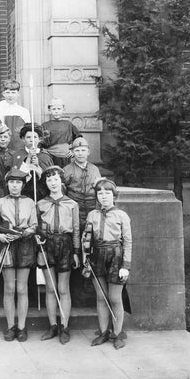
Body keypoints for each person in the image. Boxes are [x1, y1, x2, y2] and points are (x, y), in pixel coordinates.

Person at [83, 178, 132, 350]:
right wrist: (86, 257)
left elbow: (128, 242)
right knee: (101, 297)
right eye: (100, 193)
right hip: (97, 256)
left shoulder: (121, 216)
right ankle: (103, 332)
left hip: (116, 257)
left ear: (114, 195)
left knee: (114, 297)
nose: (103, 196)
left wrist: (126, 265)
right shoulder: (92, 215)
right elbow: (86, 238)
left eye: (107, 193)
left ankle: (117, 334)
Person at [0, 168, 37, 342]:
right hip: (7, 246)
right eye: (11, 182)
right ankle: (10, 327)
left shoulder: (30, 202)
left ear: (23, 185)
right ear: (7, 184)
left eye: (18, 183)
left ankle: (22, 327)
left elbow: (34, 224)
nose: (14, 186)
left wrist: (25, 233)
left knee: (22, 288)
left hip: (25, 245)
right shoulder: (1, 201)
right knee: (9, 288)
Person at [36, 166, 81, 345]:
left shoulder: (72, 204)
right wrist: (37, 238)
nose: (52, 183)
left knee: (63, 288)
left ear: (61, 182)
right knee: (50, 288)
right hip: (46, 245)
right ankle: (52, 325)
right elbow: (36, 227)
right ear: (45, 183)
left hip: (65, 244)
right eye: (49, 180)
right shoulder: (40, 204)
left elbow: (76, 230)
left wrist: (77, 252)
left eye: (55, 179)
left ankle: (64, 325)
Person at [63, 137, 101, 227]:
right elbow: (62, 191)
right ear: (72, 153)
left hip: (92, 209)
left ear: (88, 152)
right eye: (77, 150)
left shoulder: (94, 169)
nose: (80, 154)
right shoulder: (67, 170)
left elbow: (99, 188)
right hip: (75, 210)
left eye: (83, 150)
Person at [12, 124, 53, 201]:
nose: (32, 140)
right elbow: (15, 176)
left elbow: (50, 177)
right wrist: (29, 158)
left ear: (40, 139)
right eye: (28, 137)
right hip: (23, 195)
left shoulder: (45, 156)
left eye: (35, 137)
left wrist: (38, 167)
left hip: (43, 195)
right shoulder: (17, 155)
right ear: (23, 139)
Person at [42, 98, 82, 167]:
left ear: (63, 110)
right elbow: (40, 142)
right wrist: (43, 151)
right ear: (49, 110)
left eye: (59, 109)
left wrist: (73, 150)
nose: (56, 111)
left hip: (65, 157)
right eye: (54, 109)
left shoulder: (68, 124)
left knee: (66, 174)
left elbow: (79, 138)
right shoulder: (45, 125)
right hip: (50, 156)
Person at [0, 79, 31, 151]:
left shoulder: (24, 111)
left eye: (13, 92)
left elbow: (28, 132)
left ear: (18, 94)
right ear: (3, 94)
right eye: (7, 92)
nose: (10, 95)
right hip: (2, 146)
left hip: (19, 147)